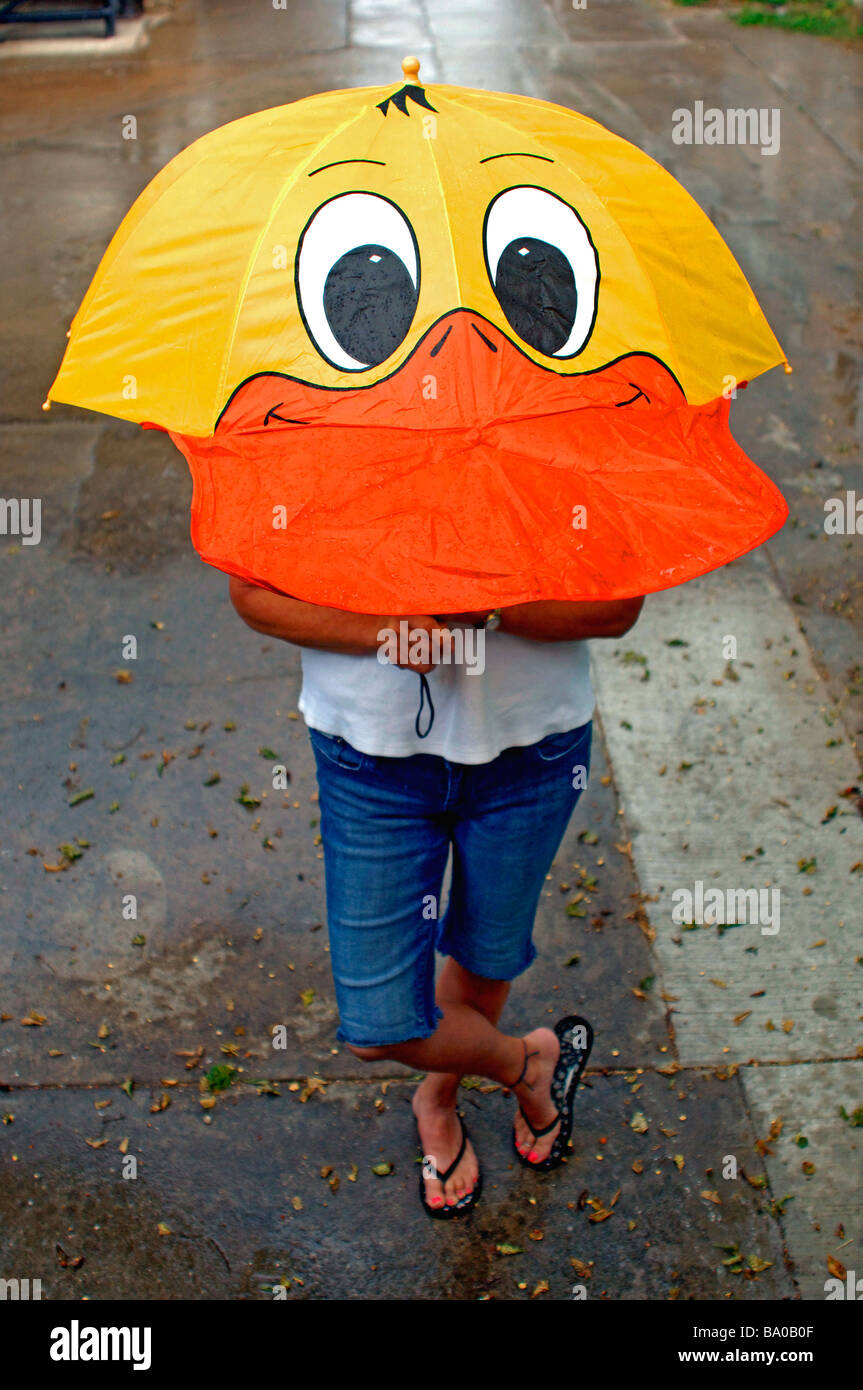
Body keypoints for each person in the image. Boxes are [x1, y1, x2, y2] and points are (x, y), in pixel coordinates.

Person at [229, 581, 643, 1217]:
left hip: (533, 747)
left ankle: (439, 1099)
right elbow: (255, 595)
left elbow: (616, 606)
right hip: (370, 760)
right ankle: (526, 1062)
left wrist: (493, 608)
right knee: (378, 1023)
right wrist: (386, 629)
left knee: (487, 950)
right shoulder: (305, 475)